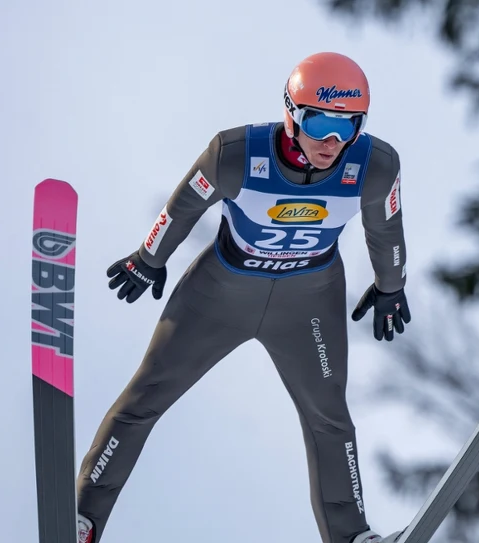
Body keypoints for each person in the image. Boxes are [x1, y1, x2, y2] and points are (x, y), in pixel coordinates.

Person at [75, 51, 410, 543]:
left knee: (329, 418)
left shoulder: (374, 164)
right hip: (221, 294)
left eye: (349, 126)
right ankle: (82, 518)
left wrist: (392, 286)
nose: (333, 141)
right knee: (146, 396)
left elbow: (386, 229)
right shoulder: (234, 153)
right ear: (291, 114)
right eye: (319, 122)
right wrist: (148, 259)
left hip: (309, 302)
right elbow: (183, 206)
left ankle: (352, 536)